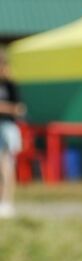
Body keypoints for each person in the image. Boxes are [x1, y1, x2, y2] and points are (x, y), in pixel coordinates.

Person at [0, 51, 25, 219]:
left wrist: (3, 108)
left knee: (6, 166)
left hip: (7, 127)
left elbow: (20, 108)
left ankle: (7, 202)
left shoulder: (10, 85)